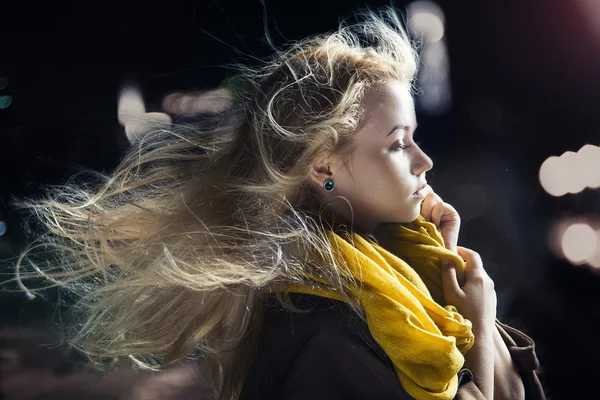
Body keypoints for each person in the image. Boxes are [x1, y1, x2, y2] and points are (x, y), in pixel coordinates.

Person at [12, 8, 545, 400]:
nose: (424, 161)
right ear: (323, 167)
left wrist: (445, 262)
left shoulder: (386, 282)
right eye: (399, 143)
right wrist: (480, 313)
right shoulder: (326, 326)